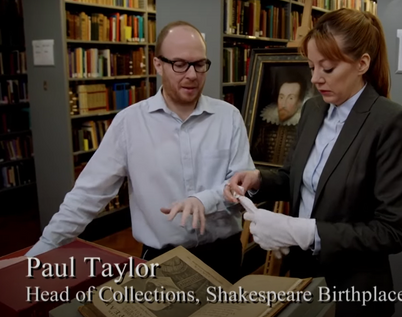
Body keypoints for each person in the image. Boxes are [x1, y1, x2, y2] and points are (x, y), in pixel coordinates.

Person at [15, 21, 255, 283]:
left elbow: (241, 186)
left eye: (199, 64)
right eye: (179, 64)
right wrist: (41, 251)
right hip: (161, 261)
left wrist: (204, 200)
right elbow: (87, 195)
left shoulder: (228, 117)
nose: (192, 75)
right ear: (157, 64)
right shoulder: (129, 124)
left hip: (224, 256)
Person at [225, 8, 402, 317]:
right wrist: (258, 179)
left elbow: (392, 231)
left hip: (355, 289)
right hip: (304, 274)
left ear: (362, 64)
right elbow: (295, 177)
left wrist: (303, 231)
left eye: (327, 68)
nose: (315, 79)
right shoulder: (315, 109)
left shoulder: (392, 123)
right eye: (312, 66)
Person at [252, 73, 308, 165]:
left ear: (299, 102)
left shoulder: (304, 127)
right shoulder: (266, 126)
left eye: (290, 98)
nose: (283, 103)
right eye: (281, 97)